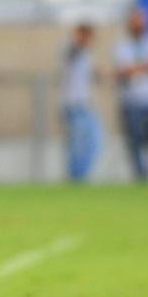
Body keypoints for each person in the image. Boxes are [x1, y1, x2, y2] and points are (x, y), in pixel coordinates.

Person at [114, 6, 148, 182]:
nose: (139, 24)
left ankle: (145, 166)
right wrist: (147, 66)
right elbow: (123, 70)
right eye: (136, 21)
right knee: (135, 141)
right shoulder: (122, 45)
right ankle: (141, 176)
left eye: (142, 20)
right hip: (131, 101)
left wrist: (139, 67)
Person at [60, 23, 101, 182]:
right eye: (86, 35)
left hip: (85, 105)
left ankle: (80, 176)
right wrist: (79, 41)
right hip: (73, 105)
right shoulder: (71, 49)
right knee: (77, 145)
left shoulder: (87, 54)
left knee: (94, 142)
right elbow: (72, 53)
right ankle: (76, 178)